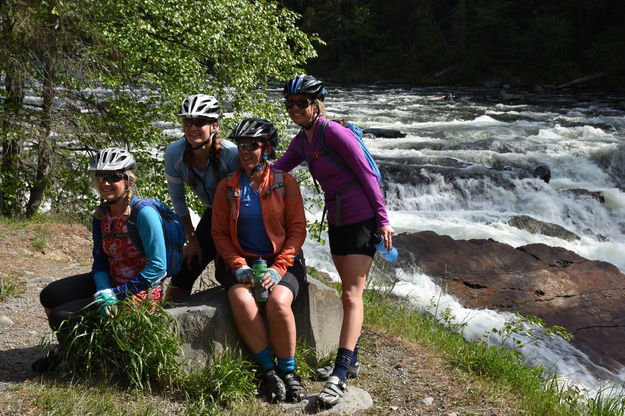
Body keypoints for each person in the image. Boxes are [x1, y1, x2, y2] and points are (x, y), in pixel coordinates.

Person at [273, 74, 395, 408]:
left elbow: (368, 173)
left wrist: (383, 220)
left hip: (362, 218)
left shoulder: (333, 132)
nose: (295, 109)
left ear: (315, 104)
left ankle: (339, 375)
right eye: (290, 104)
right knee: (347, 291)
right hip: (339, 218)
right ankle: (351, 360)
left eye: (301, 103)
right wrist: (243, 169)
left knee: (352, 294)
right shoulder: (303, 140)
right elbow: (279, 169)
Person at [32, 147, 168, 372]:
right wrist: (104, 291)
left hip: (141, 290)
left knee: (62, 315)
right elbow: (100, 260)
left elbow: (158, 268)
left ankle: (91, 354)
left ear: (128, 180)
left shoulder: (143, 213)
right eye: (100, 176)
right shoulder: (101, 215)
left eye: (113, 176)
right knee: (50, 294)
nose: (105, 183)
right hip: (112, 282)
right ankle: (70, 350)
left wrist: (117, 295)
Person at [211, 118, 308, 403]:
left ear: (266, 148)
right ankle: (269, 371)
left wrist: (278, 269)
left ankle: (289, 372)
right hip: (242, 262)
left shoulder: (284, 182)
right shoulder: (227, 187)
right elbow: (219, 233)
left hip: (282, 260)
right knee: (242, 300)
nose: (244, 150)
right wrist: (238, 265)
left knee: (278, 302)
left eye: (252, 145)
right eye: (241, 145)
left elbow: (297, 230)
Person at [164, 94, 240, 301]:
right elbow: (178, 200)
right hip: (213, 212)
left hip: (237, 217)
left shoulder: (231, 155)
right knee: (186, 268)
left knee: (226, 272)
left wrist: (223, 247)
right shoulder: (174, 153)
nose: (192, 127)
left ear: (214, 126)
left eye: (200, 122)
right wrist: (193, 240)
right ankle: (166, 321)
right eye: (188, 122)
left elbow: (240, 203)